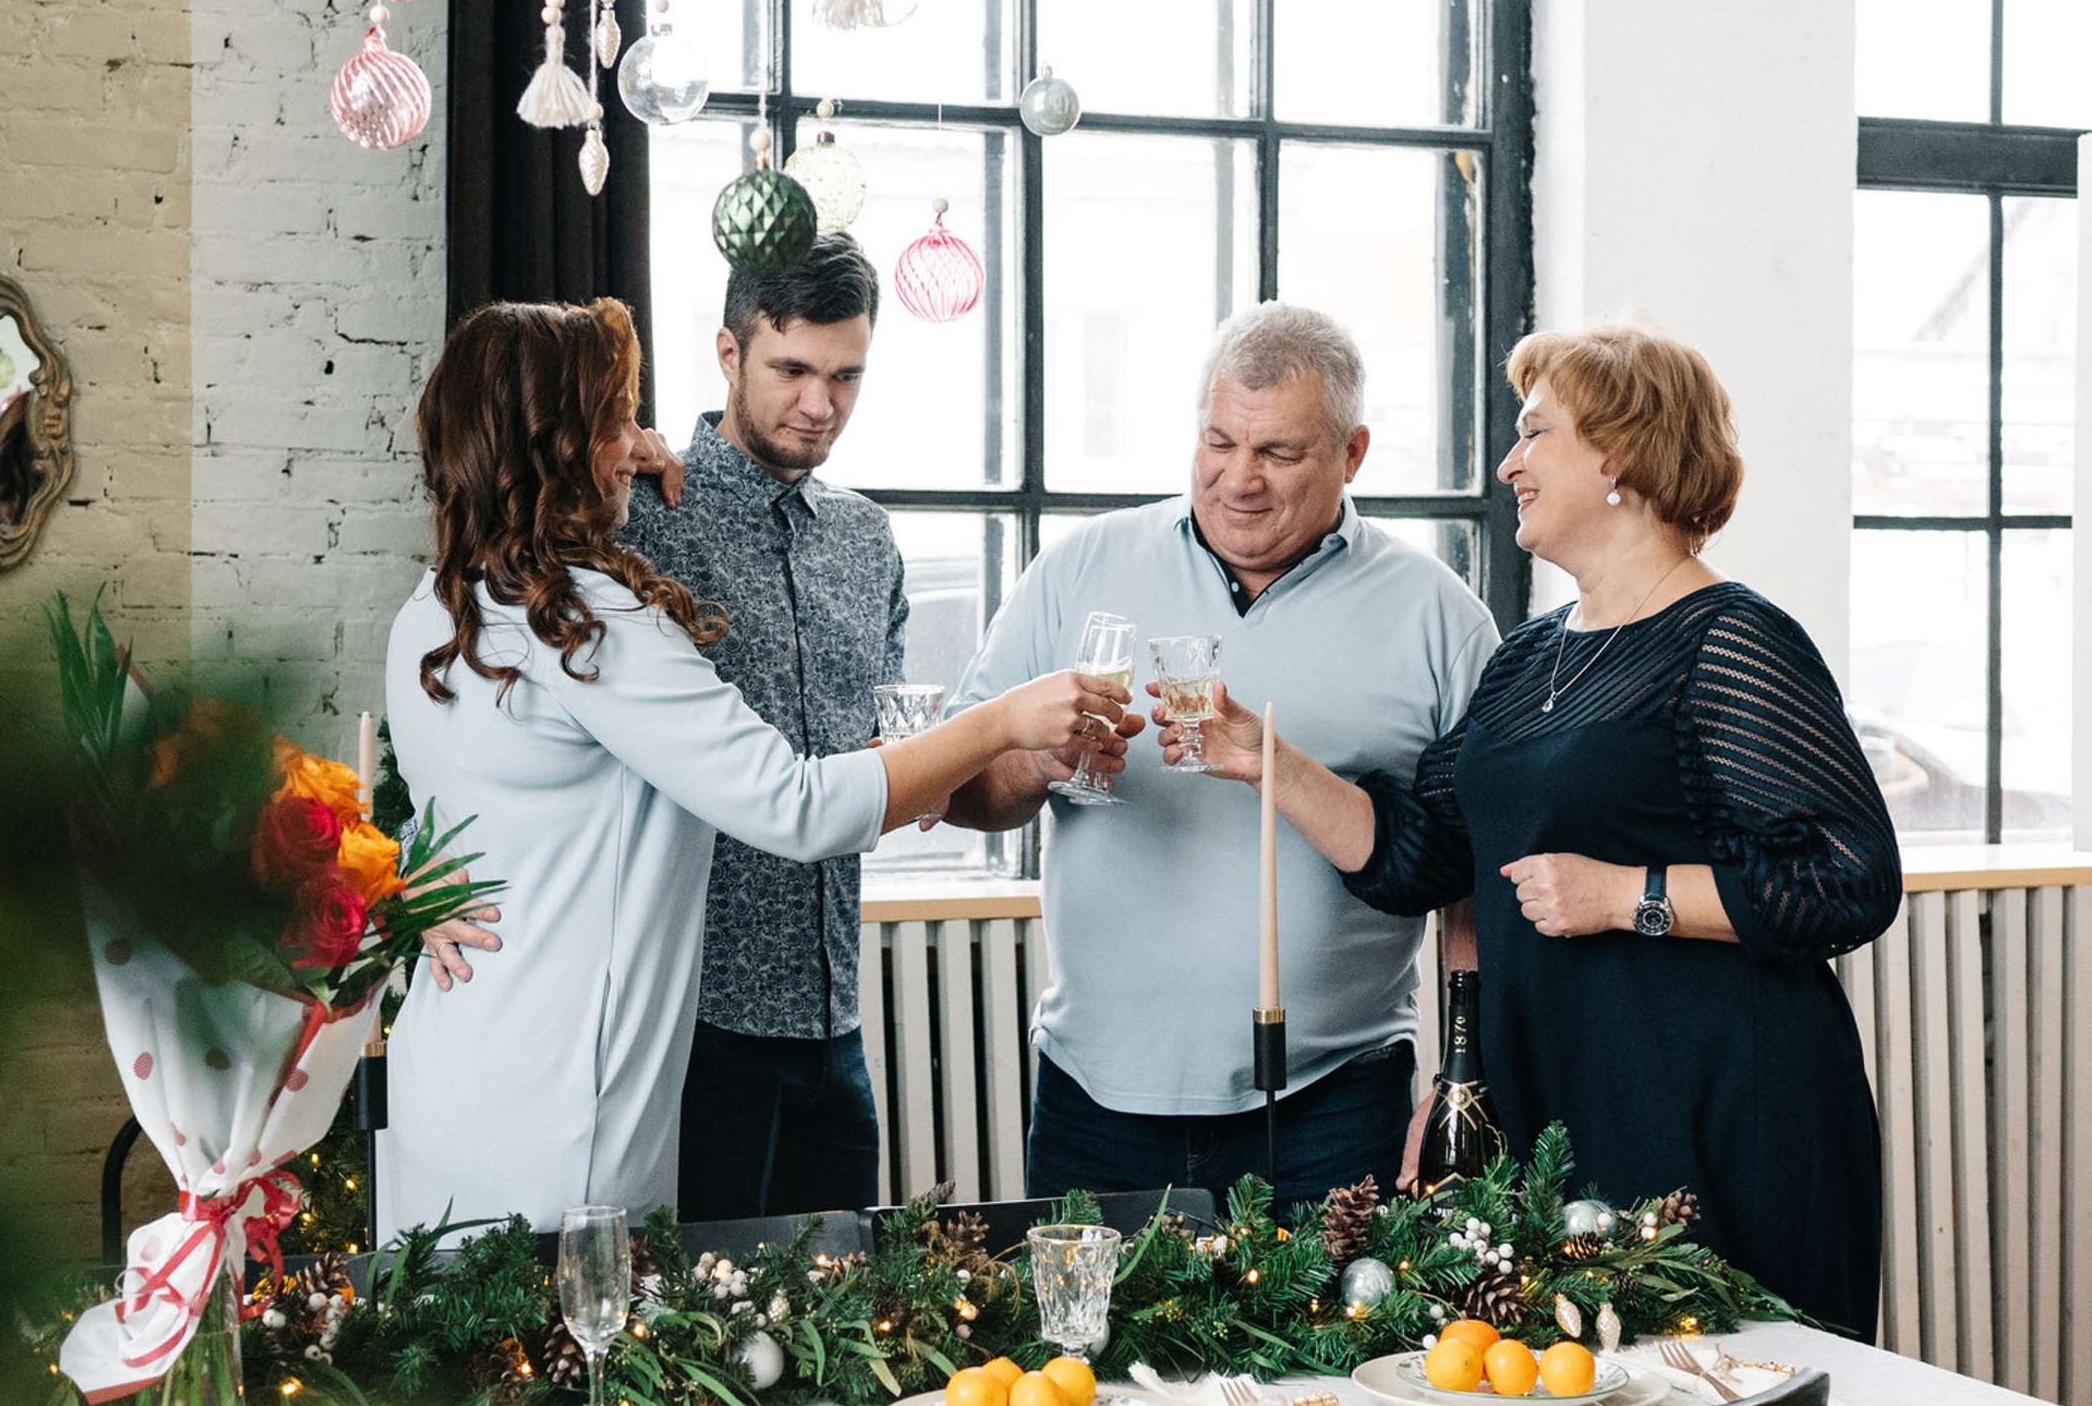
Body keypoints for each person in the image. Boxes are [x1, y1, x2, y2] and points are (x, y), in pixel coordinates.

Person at [1164, 322, 1900, 1340]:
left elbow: (1844, 876)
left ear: (1620, 456)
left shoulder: (1732, 638)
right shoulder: (1527, 657)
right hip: (1561, 1106)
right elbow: (1427, 853)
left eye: (1533, 431)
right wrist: (1266, 761)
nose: (1509, 461)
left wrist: (1623, 894)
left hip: (1719, 1108)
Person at [382, 297, 1126, 1234]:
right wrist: (1005, 717)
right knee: (589, 1356)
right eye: (612, 419)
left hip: (453, 1062)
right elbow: (800, 804)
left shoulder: (434, 610)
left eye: (846, 375)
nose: (820, 401)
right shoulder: (589, 619)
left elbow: (444, 812)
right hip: (569, 1096)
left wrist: (405, 881)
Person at [942, 303, 1499, 1216]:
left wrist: (1468, 1070)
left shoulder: (1440, 618)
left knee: (1331, 1361)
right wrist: (1036, 761)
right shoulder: (1078, 569)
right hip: (1098, 1095)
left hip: (1336, 1098)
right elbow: (964, 788)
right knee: (1086, 1360)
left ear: (1352, 455)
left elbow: (1471, 871)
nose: (1239, 478)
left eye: (1278, 453)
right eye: (1217, 442)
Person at [615, 234, 904, 1225]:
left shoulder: (870, 541)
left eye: (845, 375)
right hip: (692, 1030)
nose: (819, 404)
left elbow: (885, 758)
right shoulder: (639, 517)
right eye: (791, 369)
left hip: (837, 1027)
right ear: (730, 355)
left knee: (853, 1331)